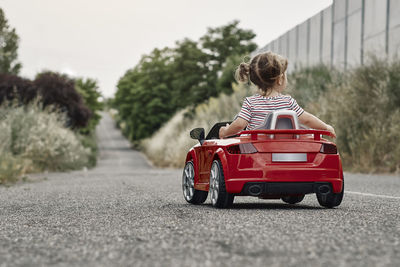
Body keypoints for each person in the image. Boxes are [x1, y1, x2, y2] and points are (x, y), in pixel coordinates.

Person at [219, 51, 336, 138]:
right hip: (285, 149)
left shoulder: (251, 103)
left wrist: (225, 132)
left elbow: (239, 124)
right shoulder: (288, 102)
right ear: (280, 79)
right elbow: (308, 120)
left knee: (242, 135)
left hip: (256, 151)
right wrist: (326, 127)